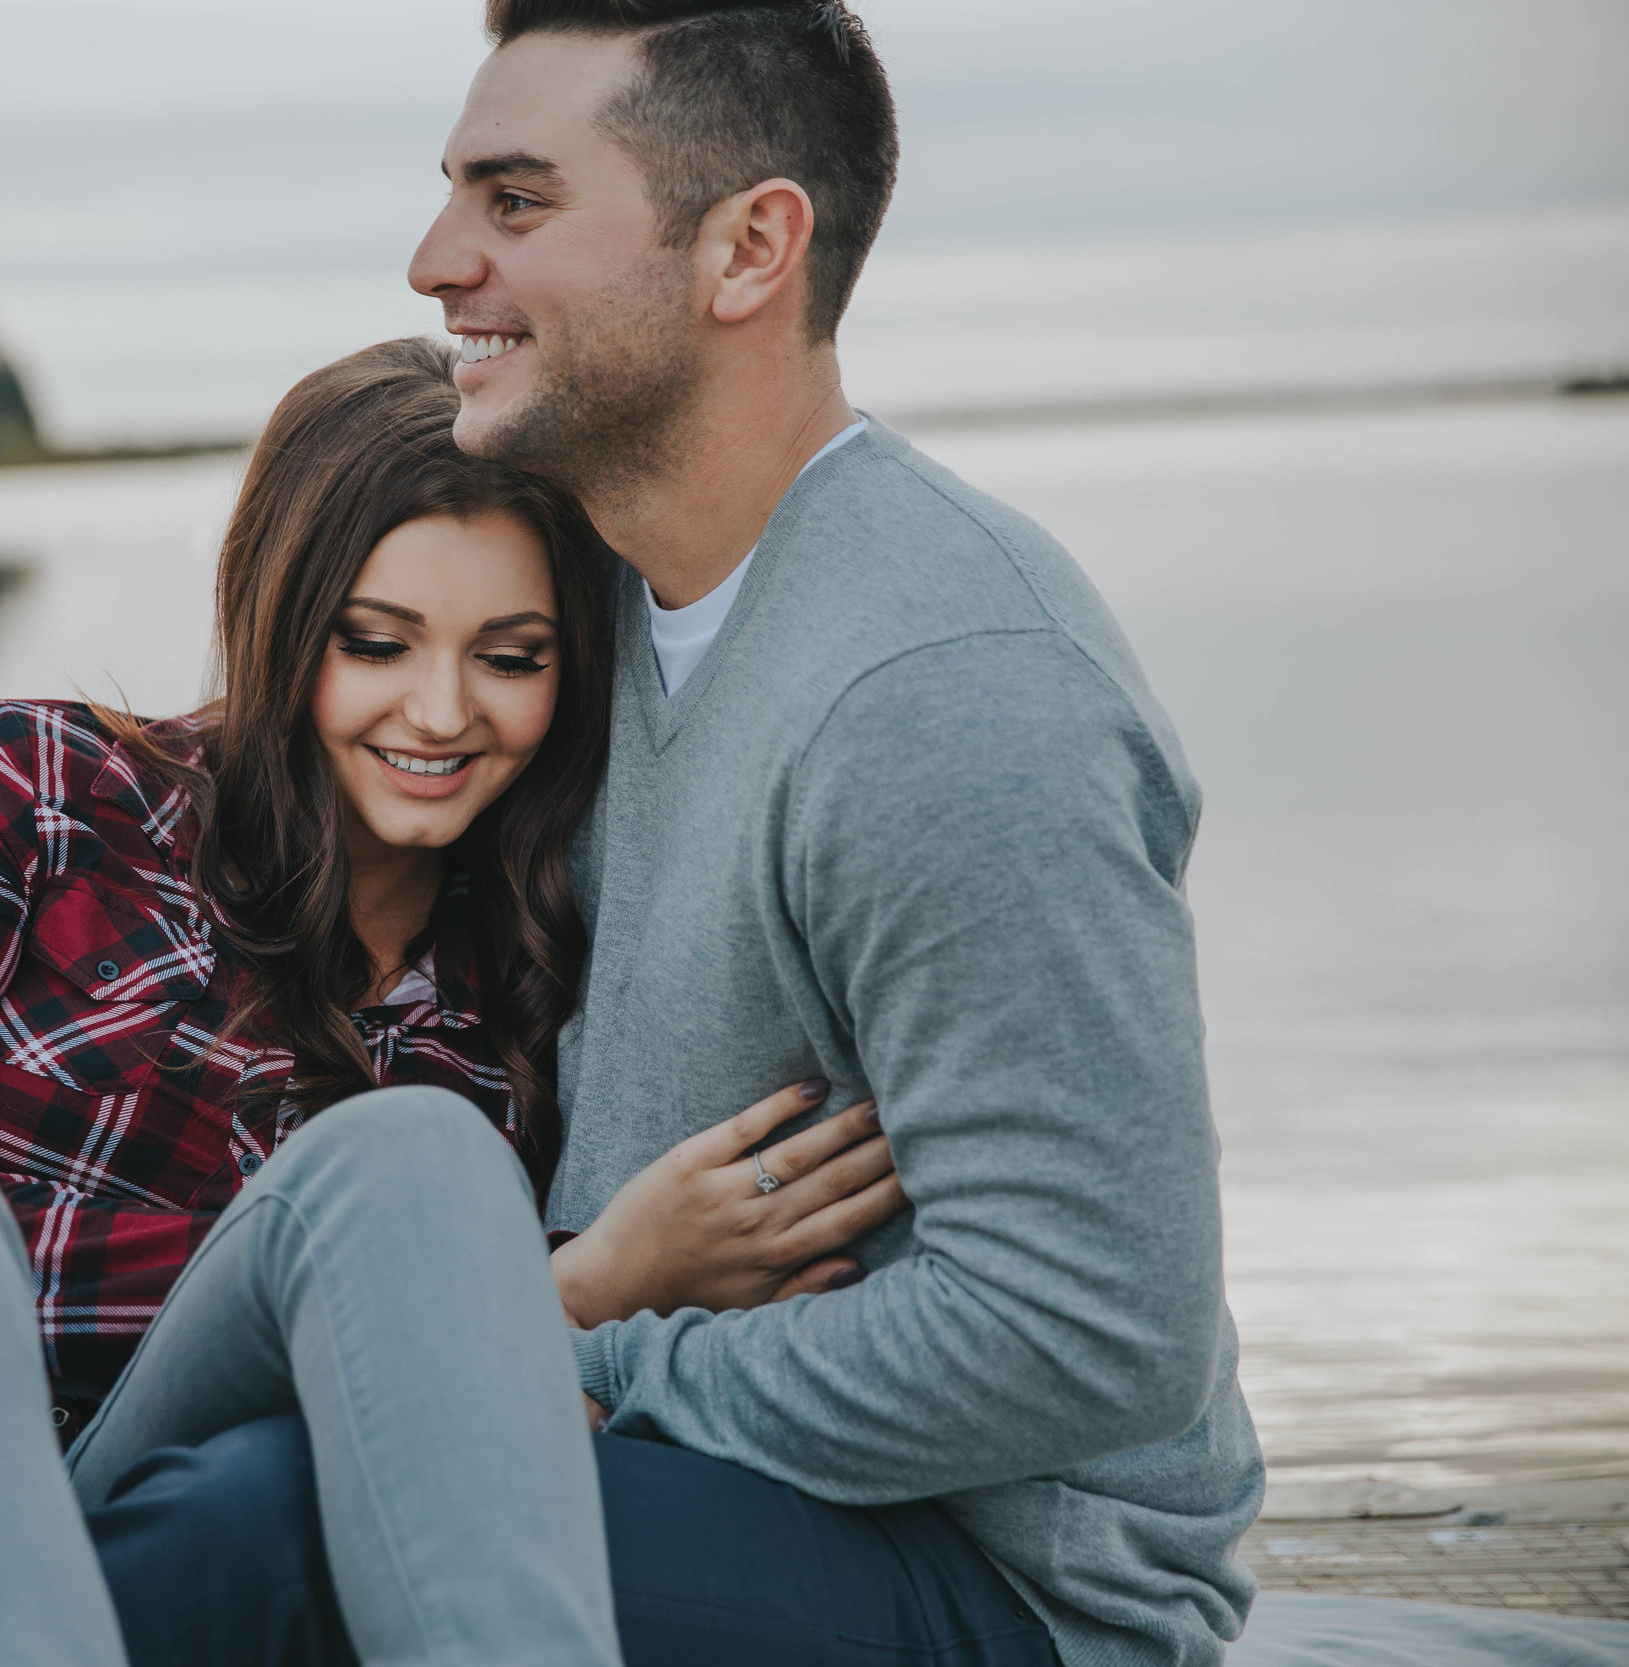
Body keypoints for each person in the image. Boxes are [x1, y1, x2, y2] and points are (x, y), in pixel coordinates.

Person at [95, 4, 1266, 1666]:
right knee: (236, 1491)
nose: (435, 262)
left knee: (269, 1526)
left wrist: (579, 1361)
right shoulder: (601, 615)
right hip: (713, 1489)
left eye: (514, 202)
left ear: (748, 250)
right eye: (455, 197)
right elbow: (334, 804)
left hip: (990, 1590)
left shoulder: (945, 689)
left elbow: (1088, 1336)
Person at [0, 339, 907, 1667]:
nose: (440, 710)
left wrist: (544, 1297)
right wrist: (559, 1291)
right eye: (378, 642)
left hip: (109, 1559)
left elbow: (455, 1436)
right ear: (284, 625)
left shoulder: (521, 999)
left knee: (417, 1155)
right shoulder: (26, 794)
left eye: (510, 657)